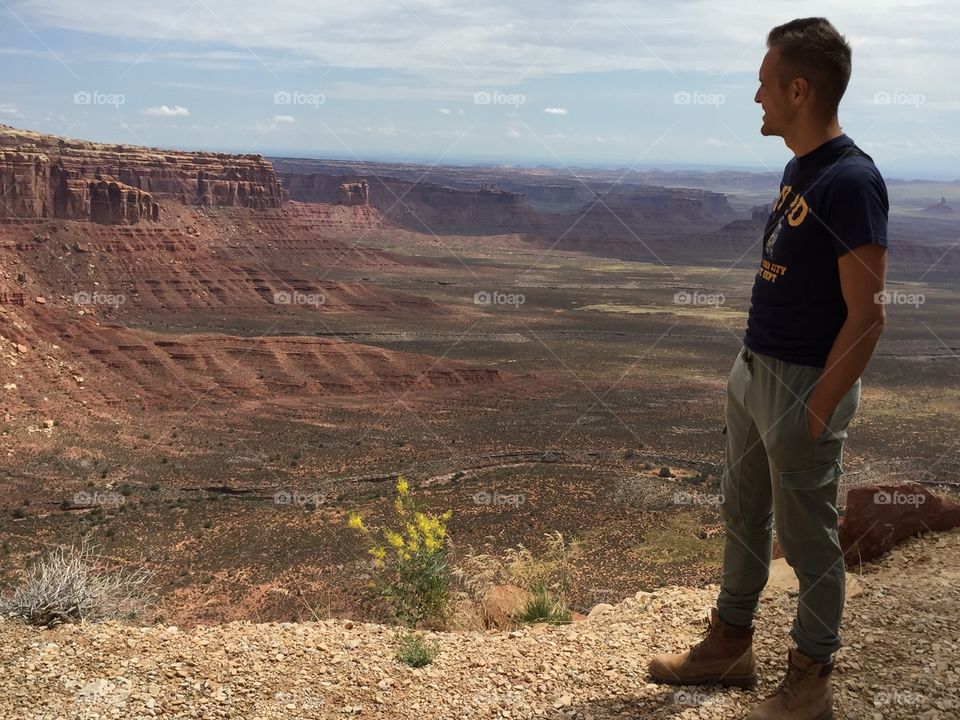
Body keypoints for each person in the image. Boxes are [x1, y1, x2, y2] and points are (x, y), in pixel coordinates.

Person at [648, 17, 888, 720]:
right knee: (742, 512)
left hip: (800, 383)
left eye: (764, 84)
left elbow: (867, 315)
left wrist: (817, 409)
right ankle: (730, 644)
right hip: (755, 371)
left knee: (810, 537)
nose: (756, 97)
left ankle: (810, 678)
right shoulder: (799, 170)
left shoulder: (852, 181)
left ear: (799, 88)